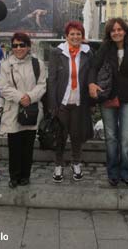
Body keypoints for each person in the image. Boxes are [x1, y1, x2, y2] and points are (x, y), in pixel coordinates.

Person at [89, 18, 128, 187]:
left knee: (126, 139)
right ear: (109, 33)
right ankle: (113, 173)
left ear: (125, 31)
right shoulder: (104, 49)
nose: (116, 33)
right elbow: (93, 68)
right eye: (113, 30)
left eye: (119, 29)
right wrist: (92, 83)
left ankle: (126, 172)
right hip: (108, 97)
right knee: (111, 138)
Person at [0, 33, 47, 188]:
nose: (18, 48)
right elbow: (3, 87)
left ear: (28, 46)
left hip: (31, 109)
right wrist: (20, 97)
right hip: (13, 109)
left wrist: (30, 97)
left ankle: (26, 175)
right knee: (14, 146)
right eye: (15, 45)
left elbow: (42, 84)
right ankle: (14, 176)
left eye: (22, 45)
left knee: (28, 145)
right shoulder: (6, 65)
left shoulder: (37, 63)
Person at [48, 21, 94, 183]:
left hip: (79, 102)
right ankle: (58, 165)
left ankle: (76, 163)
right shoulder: (57, 53)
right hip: (62, 102)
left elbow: (91, 75)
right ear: (66, 36)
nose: (75, 37)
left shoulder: (88, 53)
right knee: (60, 135)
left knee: (76, 135)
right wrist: (52, 104)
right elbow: (52, 80)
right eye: (72, 34)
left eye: (78, 34)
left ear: (82, 36)